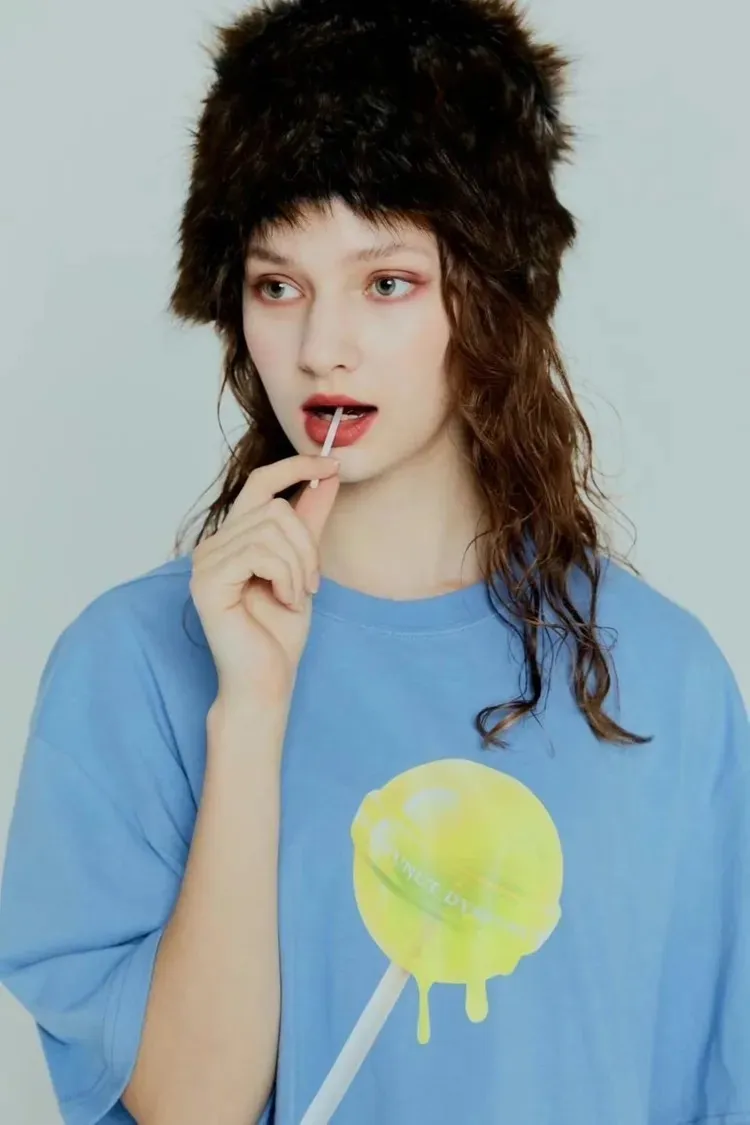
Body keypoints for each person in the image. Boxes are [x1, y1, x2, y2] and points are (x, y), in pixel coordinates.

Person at [1, 0, 748, 1123]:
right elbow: (188, 1108)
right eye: (278, 285)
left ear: (488, 294)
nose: (321, 347)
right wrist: (250, 715)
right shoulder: (136, 663)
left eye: (386, 281)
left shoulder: (662, 677)